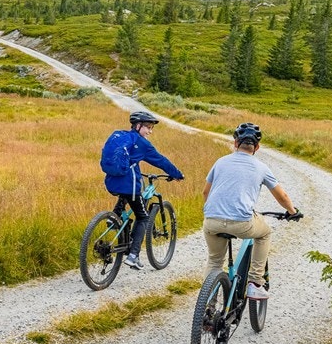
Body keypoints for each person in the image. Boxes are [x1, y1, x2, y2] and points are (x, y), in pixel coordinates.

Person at [201, 122, 300, 299]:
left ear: (235, 143)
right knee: (265, 233)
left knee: (215, 261)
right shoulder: (261, 167)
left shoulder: (220, 162)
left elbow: (205, 192)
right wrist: (292, 211)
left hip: (211, 221)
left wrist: (214, 213)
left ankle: (207, 304)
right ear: (257, 147)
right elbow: (282, 196)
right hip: (241, 223)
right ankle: (255, 282)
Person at [100, 109, 185, 270]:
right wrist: (177, 174)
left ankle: (114, 217)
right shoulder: (142, 144)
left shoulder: (122, 136)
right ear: (138, 126)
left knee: (126, 195)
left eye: (152, 128)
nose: (150, 131)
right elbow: (161, 160)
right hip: (129, 185)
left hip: (112, 181)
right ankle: (133, 255)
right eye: (148, 127)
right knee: (143, 217)